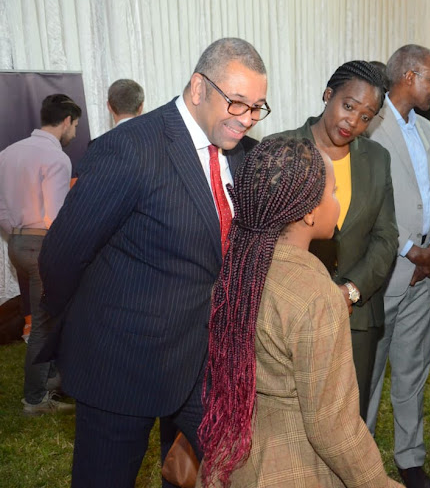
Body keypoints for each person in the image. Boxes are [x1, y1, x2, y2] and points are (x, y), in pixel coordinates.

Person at [38, 38, 268, 487]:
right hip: (121, 367)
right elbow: (61, 255)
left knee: (211, 475)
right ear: (199, 87)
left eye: (257, 107)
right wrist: (82, 328)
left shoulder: (244, 156)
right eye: (238, 103)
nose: (247, 118)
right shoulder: (131, 148)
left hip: (204, 365)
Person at [196, 137, 401, 488]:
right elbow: (331, 426)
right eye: (333, 193)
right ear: (308, 211)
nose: (337, 204)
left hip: (232, 458)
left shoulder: (238, 269)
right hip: (294, 466)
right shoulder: (316, 296)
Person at [267, 60, 399, 418]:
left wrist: (351, 291)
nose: (353, 122)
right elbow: (265, 232)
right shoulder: (280, 148)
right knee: (291, 418)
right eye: (348, 106)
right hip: (289, 314)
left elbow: (386, 237)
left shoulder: (377, 159)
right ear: (328, 95)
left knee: (347, 420)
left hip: (355, 315)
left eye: (366, 116)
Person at [365, 44, 430, 488]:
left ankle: (410, 457)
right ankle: (358, 458)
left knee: (413, 368)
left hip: (426, 274)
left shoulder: (429, 133)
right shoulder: (370, 126)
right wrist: (407, 250)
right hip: (385, 273)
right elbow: (368, 202)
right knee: (370, 371)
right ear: (410, 77)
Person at [0, 93, 80, 415]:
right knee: (45, 323)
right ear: (65, 121)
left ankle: (48, 378)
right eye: (75, 125)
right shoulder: (57, 159)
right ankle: (34, 399)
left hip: (16, 245)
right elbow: (57, 218)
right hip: (43, 246)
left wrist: (16, 233)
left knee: (41, 314)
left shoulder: (8, 153)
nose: (74, 132)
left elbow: (1, 208)